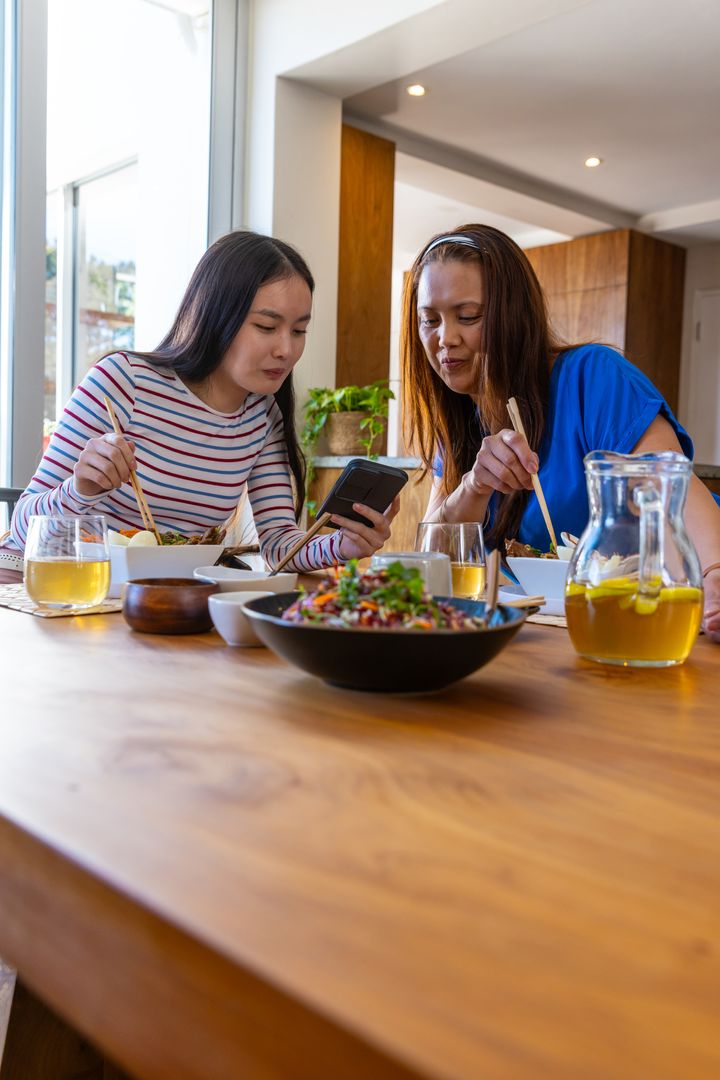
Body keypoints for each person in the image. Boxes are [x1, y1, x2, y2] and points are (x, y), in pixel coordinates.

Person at [401, 224, 720, 641]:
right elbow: (432, 563)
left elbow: (669, 489)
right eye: (429, 320)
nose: (445, 339)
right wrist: (474, 486)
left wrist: (715, 572)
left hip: (650, 616)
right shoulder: (460, 419)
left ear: (512, 313)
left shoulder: (593, 376)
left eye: (468, 317)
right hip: (554, 638)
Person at [9, 230, 398, 570]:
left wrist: (343, 544)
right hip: (53, 587)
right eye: (266, 326)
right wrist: (81, 488)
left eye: (299, 330)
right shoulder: (124, 381)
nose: (286, 349)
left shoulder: (261, 419)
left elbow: (280, 545)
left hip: (155, 605)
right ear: (216, 316)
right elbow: (25, 527)